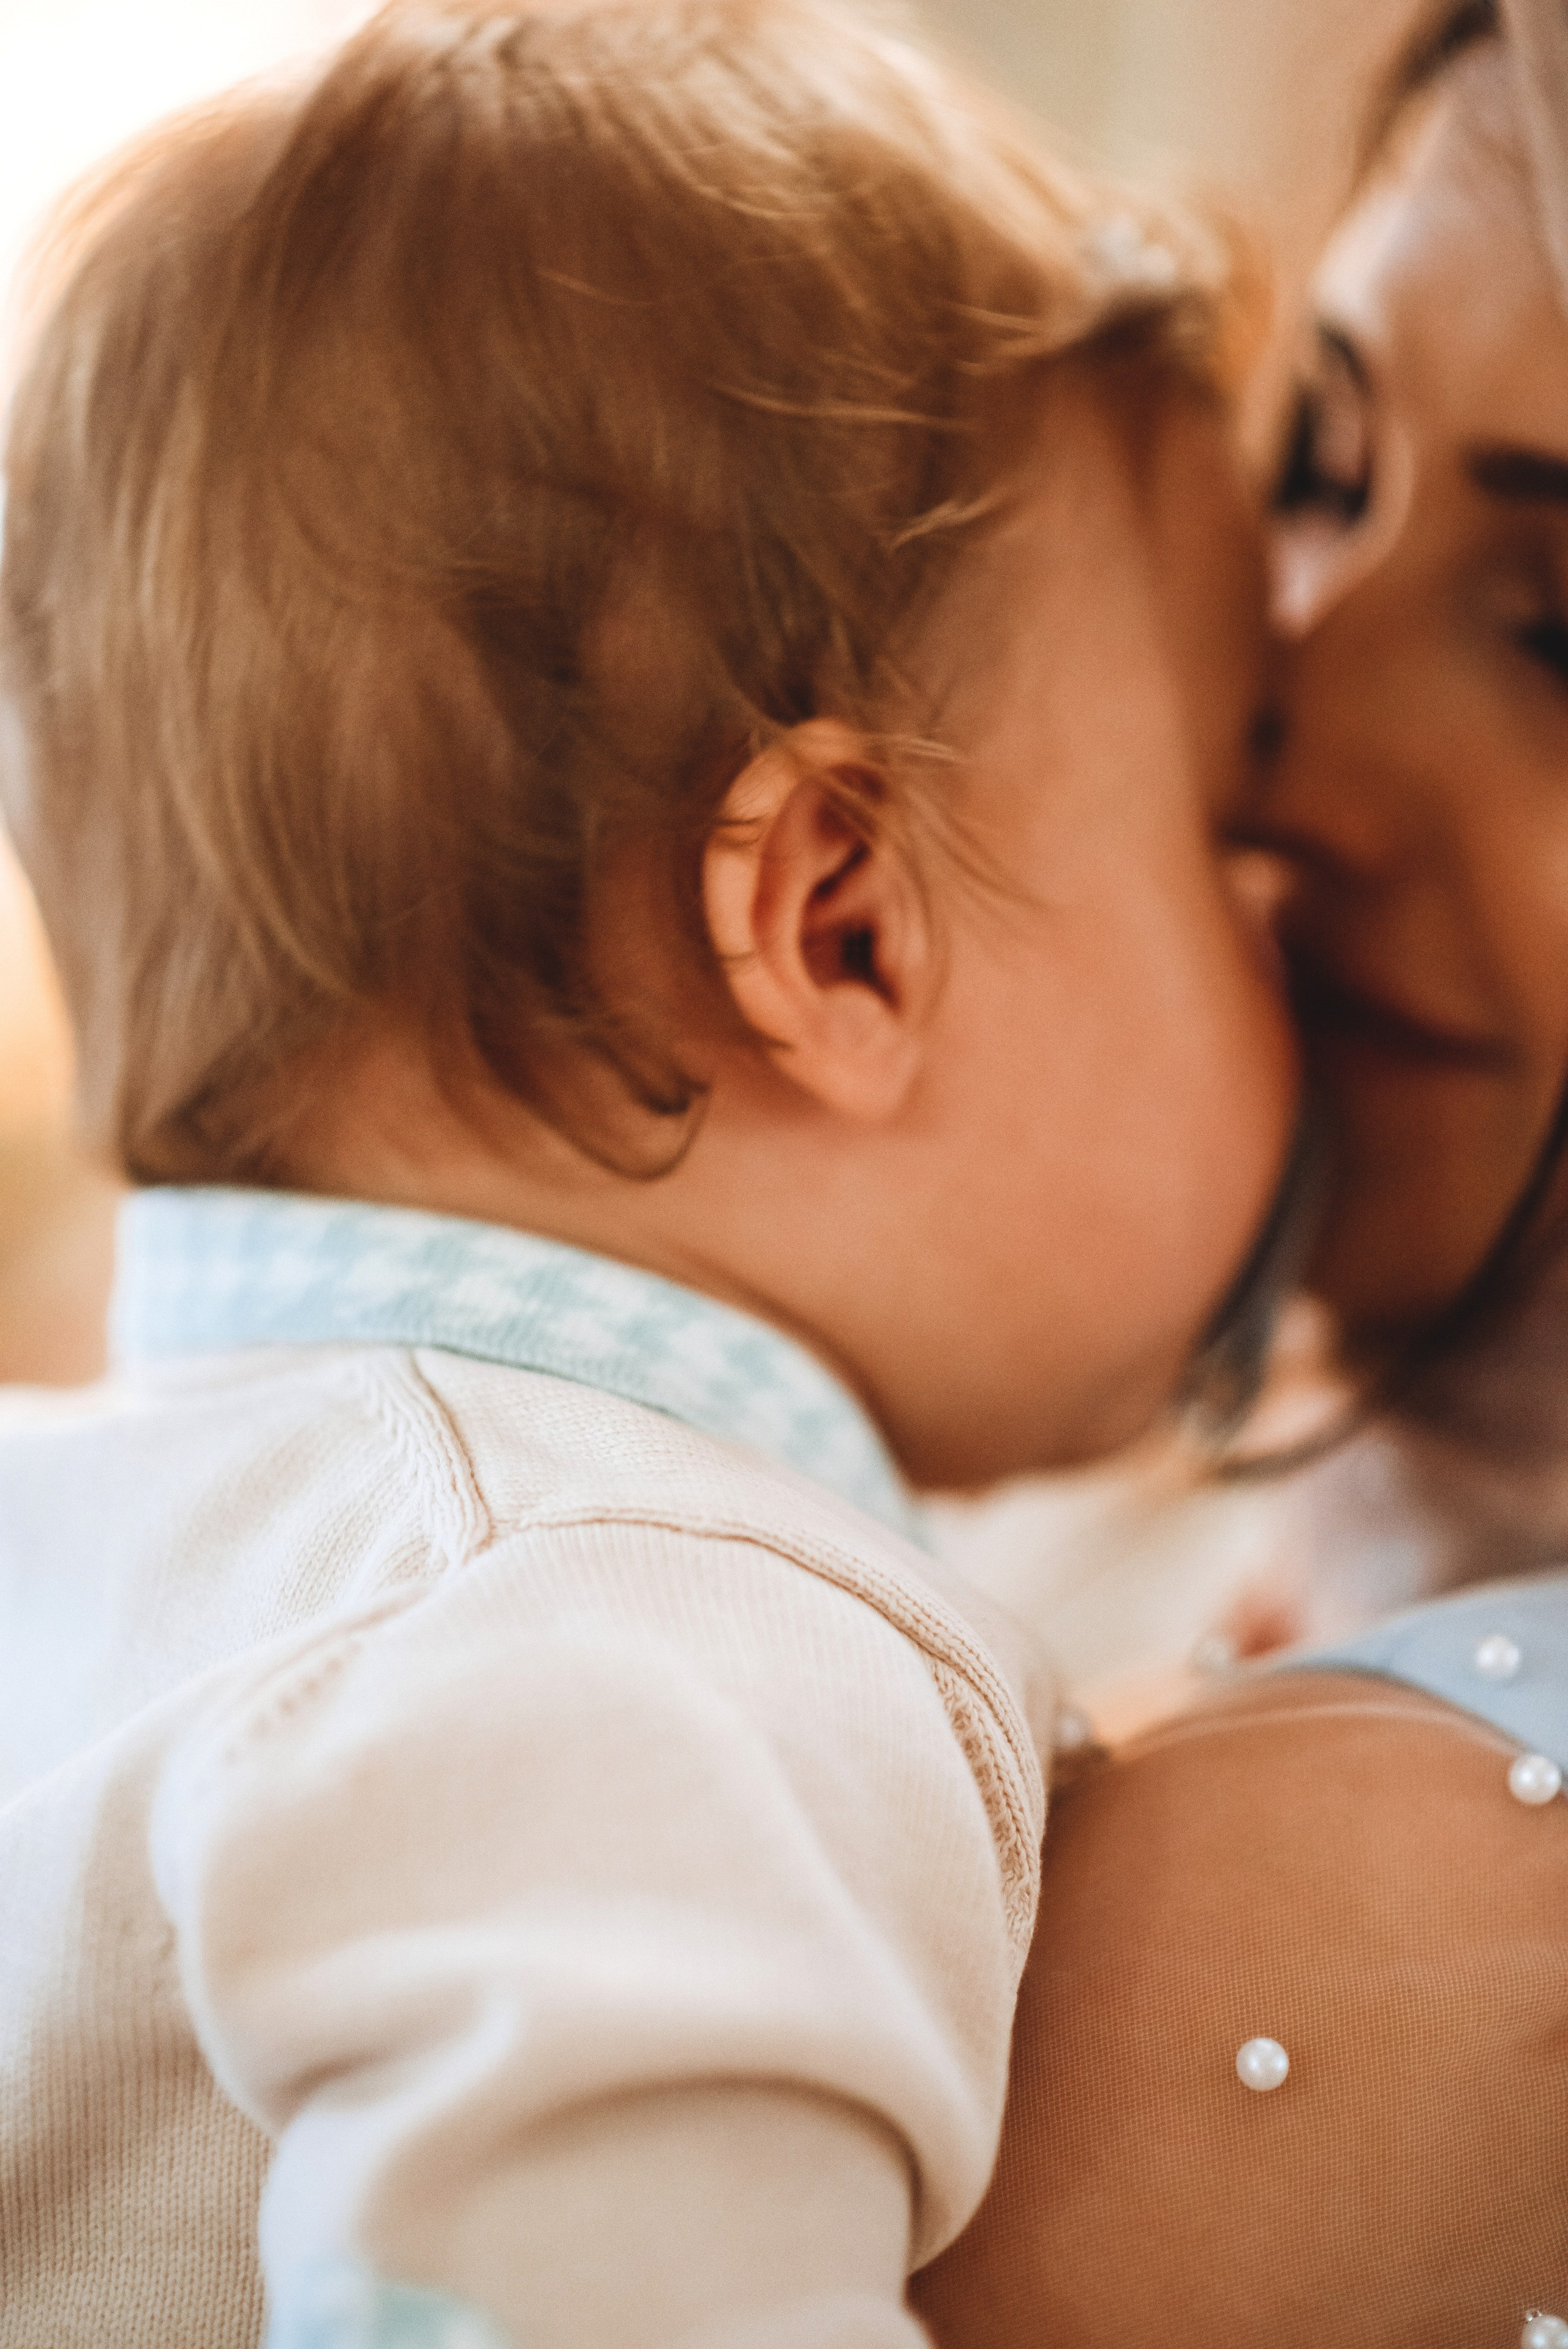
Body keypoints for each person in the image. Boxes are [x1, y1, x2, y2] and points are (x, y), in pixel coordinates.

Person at [0, 4, 1299, 2344]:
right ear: (844, 926)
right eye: (1228, 823)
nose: (1303, 912)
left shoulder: (130, 1536)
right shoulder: (656, 1639)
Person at [913, 2, 1568, 2340]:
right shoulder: (1045, 1424)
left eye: (1563, 639)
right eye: (1320, 467)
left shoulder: (1401, 1905)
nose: (1282, 691)